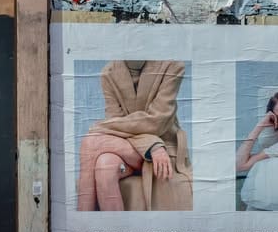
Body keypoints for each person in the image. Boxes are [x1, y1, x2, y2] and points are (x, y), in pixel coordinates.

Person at [76, 60, 192, 211]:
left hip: (164, 146)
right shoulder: (108, 73)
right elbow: (116, 126)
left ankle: (81, 223)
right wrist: (151, 144)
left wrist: (104, 126)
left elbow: (156, 122)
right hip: (127, 148)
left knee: (90, 143)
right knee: (104, 165)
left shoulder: (173, 66)